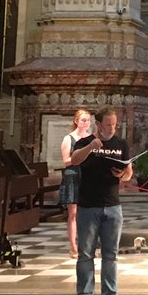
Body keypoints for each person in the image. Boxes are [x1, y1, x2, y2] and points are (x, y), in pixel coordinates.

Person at [70, 107, 132, 295]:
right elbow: (74, 160)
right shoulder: (85, 142)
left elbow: (129, 174)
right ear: (98, 125)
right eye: (108, 124)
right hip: (89, 205)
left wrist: (120, 175)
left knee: (110, 255)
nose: (112, 128)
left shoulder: (121, 143)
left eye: (114, 124)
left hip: (113, 206)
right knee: (86, 254)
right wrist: (91, 147)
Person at [59, 109, 93, 258]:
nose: (86, 123)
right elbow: (66, 161)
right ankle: (73, 247)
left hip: (87, 177)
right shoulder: (69, 138)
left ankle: (87, 246)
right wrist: (79, 157)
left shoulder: (92, 139)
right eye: (83, 120)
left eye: (88, 120)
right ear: (76, 121)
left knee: (88, 213)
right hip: (73, 176)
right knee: (73, 214)